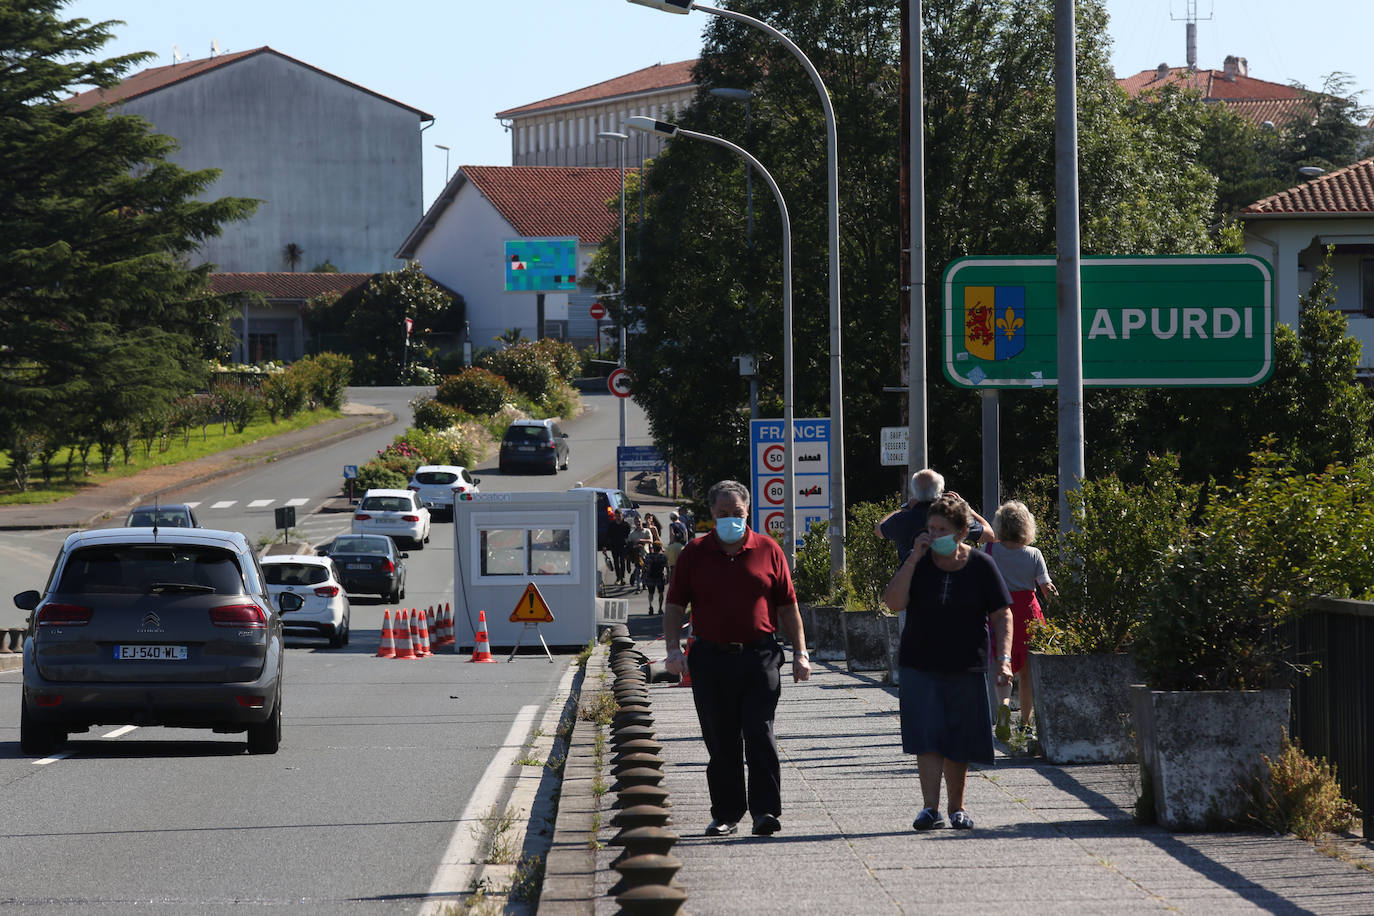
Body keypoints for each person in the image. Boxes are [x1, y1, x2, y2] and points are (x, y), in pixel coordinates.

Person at [664, 479, 811, 838]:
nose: (731, 518)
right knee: (721, 739)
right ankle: (726, 813)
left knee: (759, 733)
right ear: (712, 515)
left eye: (738, 513)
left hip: (759, 657)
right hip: (710, 658)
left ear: (748, 513)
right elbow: (674, 604)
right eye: (723, 513)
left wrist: (800, 652)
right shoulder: (694, 553)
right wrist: (672, 649)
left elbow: (788, 606)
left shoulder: (767, 549)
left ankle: (765, 812)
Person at [883, 493, 1012, 832]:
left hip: (966, 663)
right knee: (926, 737)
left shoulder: (982, 565)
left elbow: (1002, 614)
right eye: (930, 527)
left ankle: (957, 808)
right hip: (919, 662)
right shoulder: (919, 562)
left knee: (959, 738)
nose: (933, 534)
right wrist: (912, 558)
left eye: (941, 529)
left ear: (959, 532)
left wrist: (1005, 660)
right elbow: (894, 603)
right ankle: (929, 808)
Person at [986, 500, 1058, 741]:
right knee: (1027, 674)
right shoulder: (1034, 554)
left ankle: (1004, 706)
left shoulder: (989, 551)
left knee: (1002, 665)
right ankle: (1025, 724)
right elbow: (1045, 585)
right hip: (1028, 615)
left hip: (998, 612)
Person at [876, 468, 994, 564]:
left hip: (912, 582)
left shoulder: (900, 520)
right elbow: (990, 535)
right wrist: (968, 509)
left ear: (914, 492)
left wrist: (903, 508)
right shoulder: (953, 517)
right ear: (940, 492)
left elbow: (878, 530)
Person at [625, 517, 652, 591]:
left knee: (645, 570)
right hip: (637, 554)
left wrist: (641, 540)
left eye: (639, 522)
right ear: (635, 523)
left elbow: (650, 541)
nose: (638, 523)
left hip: (646, 553)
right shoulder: (632, 534)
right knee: (638, 569)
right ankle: (638, 586)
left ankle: (643, 583)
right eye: (636, 522)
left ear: (641, 522)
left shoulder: (647, 531)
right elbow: (629, 545)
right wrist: (635, 545)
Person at [643, 539, 669, 615]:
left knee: (651, 593)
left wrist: (643, 575)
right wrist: (668, 577)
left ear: (653, 548)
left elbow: (644, 567)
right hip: (660, 577)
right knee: (661, 593)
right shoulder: (663, 557)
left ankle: (650, 606)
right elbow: (667, 567)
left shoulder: (648, 556)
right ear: (660, 548)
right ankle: (660, 608)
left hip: (650, 577)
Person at [606, 510, 632, 585]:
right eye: (616, 516)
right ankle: (618, 578)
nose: (618, 518)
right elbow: (608, 536)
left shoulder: (626, 525)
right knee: (616, 562)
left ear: (622, 516)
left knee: (622, 561)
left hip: (623, 546)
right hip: (614, 546)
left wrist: (628, 545)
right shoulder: (612, 525)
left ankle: (623, 577)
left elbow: (629, 536)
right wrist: (605, 546)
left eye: (619, 516)